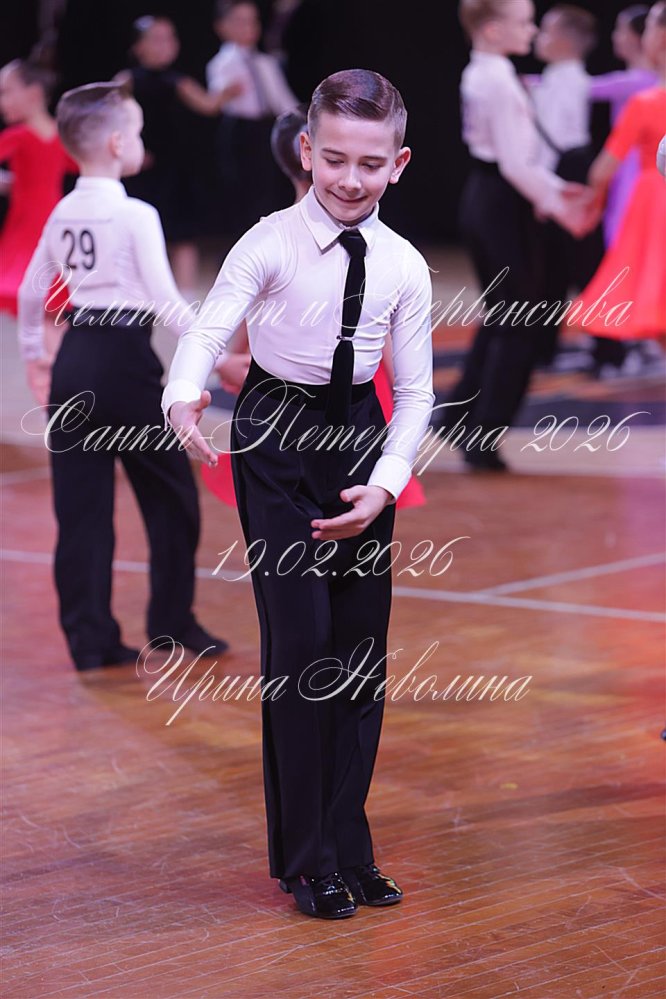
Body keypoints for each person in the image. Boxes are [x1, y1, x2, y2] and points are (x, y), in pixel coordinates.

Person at [162, 69, 434, 919]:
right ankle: (307, 857)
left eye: (371, 163)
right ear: (308, 151)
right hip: (276, 437)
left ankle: (350, 844)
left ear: (398, 164)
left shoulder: (404, 263)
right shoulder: (269, 241)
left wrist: (385, 485)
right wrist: (183, 392)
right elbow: (211, 323)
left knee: (359, 655)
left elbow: (416, 393)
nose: (351, 179)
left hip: (358, 441)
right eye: (336, 159)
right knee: (303, 646)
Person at [17, 82, 230, 672]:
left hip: (75, 358)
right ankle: (171, 621)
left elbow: (33, 290)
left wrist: (37, 357)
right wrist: (215, 353)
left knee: (80, 512)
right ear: (116, 143)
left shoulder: (63, 209)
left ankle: (90, 640)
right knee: (172, 497)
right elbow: (166, 301)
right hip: (124, 363)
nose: (140, 141)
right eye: (136, 132)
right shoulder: (136, 213)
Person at [202, 105, 426, 510]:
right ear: (308, 154)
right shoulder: (274, 238)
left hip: (335, 392)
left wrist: (228, 358)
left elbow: (248, 317)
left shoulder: (275, 236)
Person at [440, 0, 595, 472]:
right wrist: (560, 205)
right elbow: (514, 164)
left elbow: (517, 162)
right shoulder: (498, 79)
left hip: (490, 197)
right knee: (522, 321)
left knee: (505, 316)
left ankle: (459, 415)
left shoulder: (485, 71)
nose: (531, 30)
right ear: (492, 29)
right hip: (503, 204)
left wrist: (555, 192)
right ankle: (481, 435)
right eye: (524, 23)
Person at [116, 16, 242, 298]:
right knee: (139, 233)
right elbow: (111, 114)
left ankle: (186, 296)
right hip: (139, 168)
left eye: (170, 38)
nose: (165, 45)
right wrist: (130, 151)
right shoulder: (127, 81)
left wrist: (227, 94)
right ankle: (135, 295)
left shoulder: (178, 81)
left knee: (182, 233)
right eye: (156, 39)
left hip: (175, 167)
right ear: (138, 46)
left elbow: (208, 105)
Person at [572, 2, 666, 347]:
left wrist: (590, 205)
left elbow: (602, 170)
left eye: (651, 27)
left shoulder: (646, 102)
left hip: (654, 205)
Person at [526, 5, 605, 368]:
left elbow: (552, 139)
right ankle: (545, 347)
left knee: (581, 265)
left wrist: (545, 192)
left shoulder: (569, 80)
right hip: (563, 169)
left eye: (545, 31)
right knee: (554, 266)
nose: (538, 37)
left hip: (567, 170)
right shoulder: (556, 77)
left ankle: (608, 348)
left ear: (565, 40)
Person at [206, 0, 298, 239]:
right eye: (239, 21)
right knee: (241, 191)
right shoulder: (223, 62)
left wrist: (304, 119)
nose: (247, 27)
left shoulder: (265, 62)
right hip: (238, 130)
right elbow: (216, 97)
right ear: (222, 26)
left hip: (266, 129)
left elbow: (283, 100)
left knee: (266, 189)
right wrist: (226, 92)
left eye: (252, 21)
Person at [0, 60, 77, 318]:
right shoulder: (62, 136)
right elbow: (83, 164)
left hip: (29, 223)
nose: (2, 101)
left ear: (33, 93)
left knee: (29, 292)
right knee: (50, 298)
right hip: (56, 219)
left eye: (6, 92)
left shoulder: (18, 135)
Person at [588, 5, 659, 247]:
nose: (614, 37)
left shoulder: (642, 85)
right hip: (627, 166)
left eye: (620, 30)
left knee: (626, 237)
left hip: (634, 168)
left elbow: (586, 88)